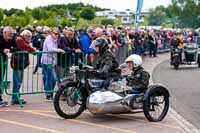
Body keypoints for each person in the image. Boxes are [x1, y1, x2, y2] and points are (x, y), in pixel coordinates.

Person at [11, 30, 36, 104]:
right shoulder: (19, 39)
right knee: (17, 82)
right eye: (27, 36)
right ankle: (15, 98)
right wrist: (33, 50)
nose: (29, 38)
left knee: (19, 82)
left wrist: (32, 50)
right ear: (23, 35)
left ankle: (16, 97)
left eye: (30, 36)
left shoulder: (23, 40)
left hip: (20, 64)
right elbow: (26, 47)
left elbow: (27, 47)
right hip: (17, 64)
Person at [41, 27, 64, 101]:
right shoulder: (48, 39)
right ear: (51, 33)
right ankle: (48, 94)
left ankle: (50, 93)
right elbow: (50, 49)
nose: (57, 35)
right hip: (47, 61)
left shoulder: (55, 39)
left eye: (58, 34)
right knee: (51, 78)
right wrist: (59, 50)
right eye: (55, 33)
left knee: (51, 78)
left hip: (52, 61)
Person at [0, 26, 17, 107]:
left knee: (1, 80)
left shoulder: (12, 39)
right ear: (4, 33)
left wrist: (9, 50)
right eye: (10, 33)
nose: (11, 35)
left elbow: (17, 48)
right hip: (1, 60)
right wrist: (3, 50)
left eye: (12, 34)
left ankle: (0, 98)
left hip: (3, 62)